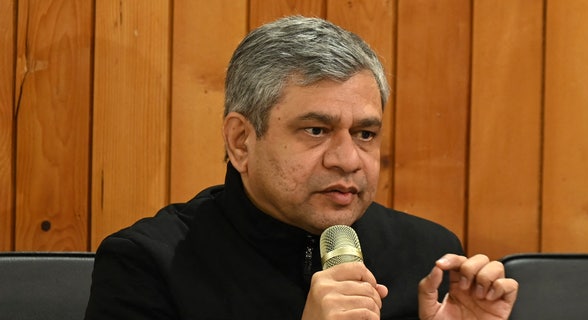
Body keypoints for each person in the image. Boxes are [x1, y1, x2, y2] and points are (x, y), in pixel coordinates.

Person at [84, 16, 518, 319]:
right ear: (241, 141)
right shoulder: (149, 264)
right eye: (315, 130)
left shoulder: (429, 255)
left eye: (365, 134)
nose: (347, 159)